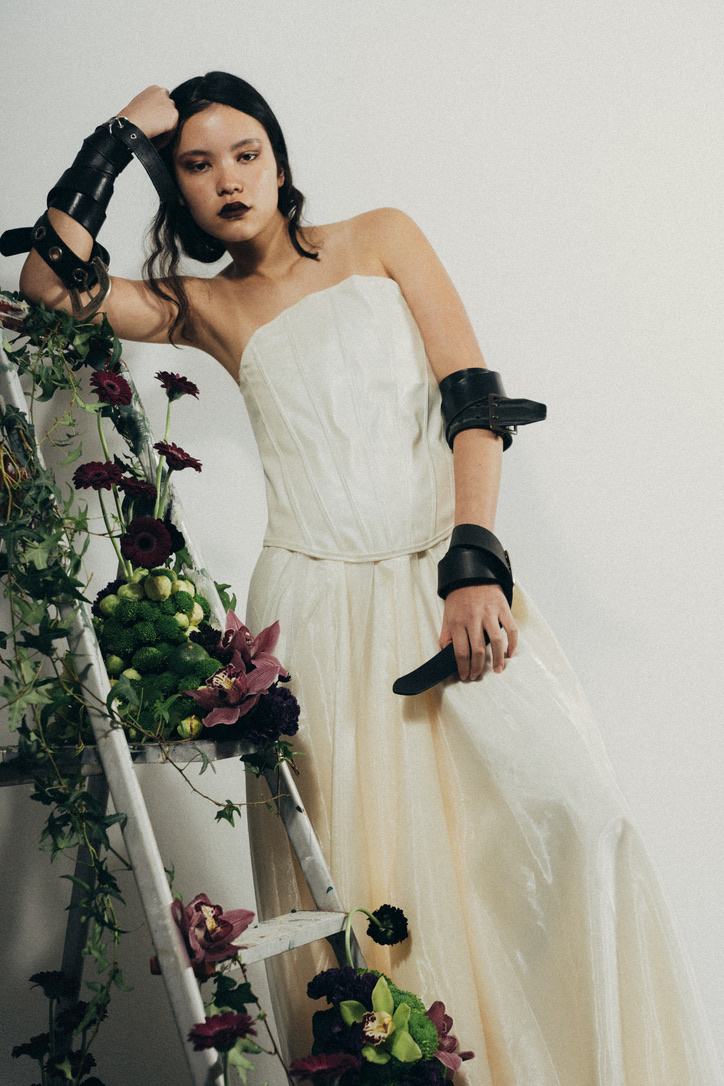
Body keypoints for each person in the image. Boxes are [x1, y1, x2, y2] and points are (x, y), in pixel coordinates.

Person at [13, 72, 721, 1085]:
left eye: (246, 153)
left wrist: (474, 561)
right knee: (376, 890)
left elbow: (471, 397)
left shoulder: (382, 236)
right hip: (318, 609)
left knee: (578, 818)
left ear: (280, 160)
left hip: (443, 577)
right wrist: (120, 134)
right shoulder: (198, 305)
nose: (228, 179)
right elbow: (48, 288)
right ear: (177, 189)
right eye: (198, 165)